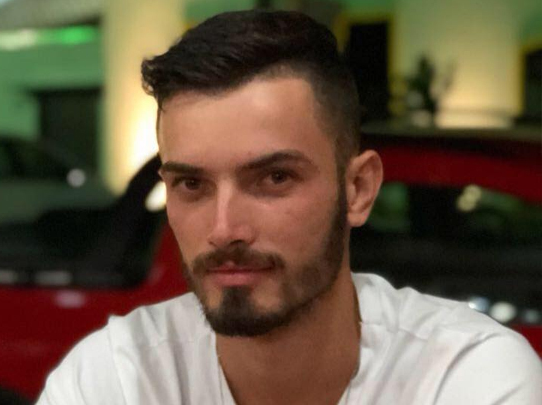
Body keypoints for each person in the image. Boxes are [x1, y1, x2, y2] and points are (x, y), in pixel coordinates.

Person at [37, 10, 542, 404]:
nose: (224, 229)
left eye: (274, 178)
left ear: (359, 189)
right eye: (192, 184)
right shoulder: (118, 378)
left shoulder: (466, 376)